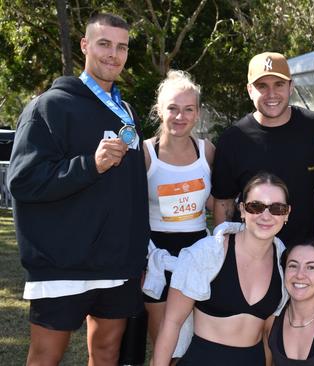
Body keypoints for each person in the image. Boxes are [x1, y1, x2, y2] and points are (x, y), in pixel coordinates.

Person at [7, 13, 148, 366]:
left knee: (106, 353)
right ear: (85, 45)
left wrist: (136, 252)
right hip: (62, 264)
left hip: (117, 264)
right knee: (45, 357)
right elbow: (23, 181)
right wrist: (90, 165)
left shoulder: (126, 110)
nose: (113, 54)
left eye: (121, 47)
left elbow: (130, 191)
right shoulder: (49, 106)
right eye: (104, 44)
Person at [152, 172, 290, 365]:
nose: (265, 216)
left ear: (286, 214)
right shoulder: (206, 253)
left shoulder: (284, 264)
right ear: (242, 210)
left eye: (277, 208)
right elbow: (171, 323)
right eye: (256, 207)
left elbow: (268, 335)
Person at [211, 52, 314, 248]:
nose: (271, 94)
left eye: (279, 84)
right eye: (262, 86)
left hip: (308, 254)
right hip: (253, 255)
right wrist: (220, 252)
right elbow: (224, 203)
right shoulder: (233, 139)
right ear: (250, 90)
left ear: (291, 86)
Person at [141, 70, 215, 354]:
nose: (180, 117)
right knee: (165, 348)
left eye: (188, 109)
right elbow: (131, 211)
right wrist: (142, 263)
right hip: (156, 256)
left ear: (197, 114)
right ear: (160, 110)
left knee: (196, 345)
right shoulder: (146, 152)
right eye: (172, 108)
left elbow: (217, 201)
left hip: (198, 254)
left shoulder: (207, 152)